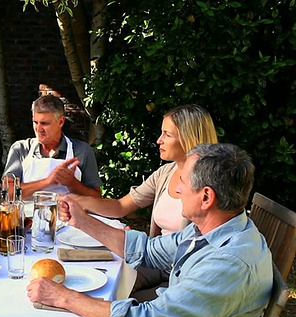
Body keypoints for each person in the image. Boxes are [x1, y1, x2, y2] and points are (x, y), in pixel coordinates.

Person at [27, 143, 272, 317]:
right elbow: (148, 250)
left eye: (184, 183)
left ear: (206, 197)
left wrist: (64, 297)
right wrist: (82, 221)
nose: (178, 191)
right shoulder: (213, 228)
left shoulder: (228, 264)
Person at [74, 104, 218, 300]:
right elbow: (120, 206)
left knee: (116, 300)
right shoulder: (166, 173)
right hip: (156, 262)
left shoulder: (209, 187)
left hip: (181, 274)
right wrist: (79, 201)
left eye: (167, 134)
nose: (159, 140)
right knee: (102, 283)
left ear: (188, 138)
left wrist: (134, 243)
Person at [2, 94, 102, 197]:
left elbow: (97, 197)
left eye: (44, 123)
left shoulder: (82, 151)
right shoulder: (21, 149)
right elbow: (7, 193)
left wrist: (73, 184)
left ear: (60, 122)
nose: (38, 129)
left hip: (68, 213)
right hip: (27, 213)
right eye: (35, 122)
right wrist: (47, 182)